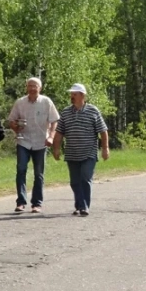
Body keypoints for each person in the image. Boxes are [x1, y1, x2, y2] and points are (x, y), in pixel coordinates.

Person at [52, 83, 109, 217]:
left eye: (75, 94)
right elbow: (59, 132)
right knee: (74, 182)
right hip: (72, 153)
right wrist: (56, 149)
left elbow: (103, 131)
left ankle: (84, 206)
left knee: (85, 178)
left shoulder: (93, 111)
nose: (72, 96)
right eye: (71, 94)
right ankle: (79, 205)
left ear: (82, 95)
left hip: (88, 152)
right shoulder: (66, 112)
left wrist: (105, 148)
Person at [7, 77, 60, 213]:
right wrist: (15, 127)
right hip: (23, 140)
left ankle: (37, 203)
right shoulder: (20, 102)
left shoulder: (46, 102)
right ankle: (21, 202)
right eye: (29, 86)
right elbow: (11, 120)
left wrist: (51, 137)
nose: (31, 88)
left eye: (34, 86)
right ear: (26, 88)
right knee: (21, 170)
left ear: (40, 88)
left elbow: (55, 121)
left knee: (39, 174)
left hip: (41, 142)